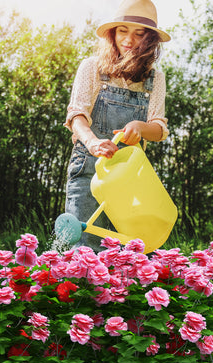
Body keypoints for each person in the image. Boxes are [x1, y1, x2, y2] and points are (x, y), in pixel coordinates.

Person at [63, 0, 170, 251]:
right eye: (123, 30)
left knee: (126, 252)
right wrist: (93, 142)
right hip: (89, 169)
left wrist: (141, 127)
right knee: (83, 247)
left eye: (139, 33)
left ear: (150, 39)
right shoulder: (92, 67)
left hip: (130, 178)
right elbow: (76, 115)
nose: (129, 39)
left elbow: (159, 128)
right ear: (112, 33)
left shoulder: (155, 79)